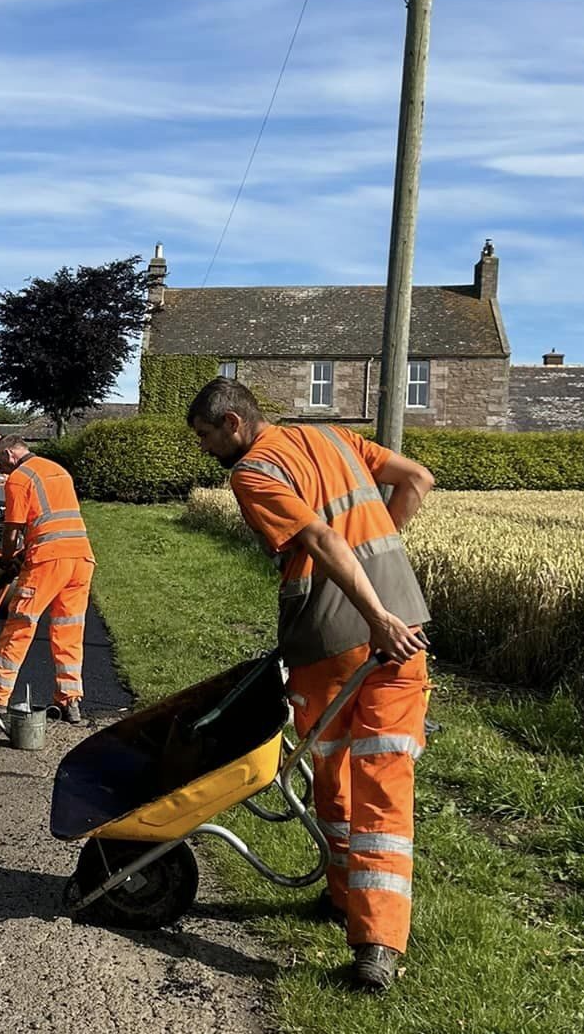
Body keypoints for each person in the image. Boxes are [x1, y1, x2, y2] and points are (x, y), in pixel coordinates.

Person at [186, 379, 434, 993]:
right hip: (405, 630)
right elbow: (417, 479)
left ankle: (364, 926)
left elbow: (322, 540)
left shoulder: (253, 472)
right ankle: (364, 921)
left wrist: (374, 615)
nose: (205, 448)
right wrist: (384, 585)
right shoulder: (334, 437)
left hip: (333, 641)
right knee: (384, 777)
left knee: (337, 772)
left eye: (206, 435)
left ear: (234, 424)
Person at [0, 435, 95, 727]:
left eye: (2, 465)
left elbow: (11, 532)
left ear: (10, 455)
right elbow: (52, 524)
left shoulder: (19, 478)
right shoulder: (59, 470)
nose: (2, 471)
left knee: (21, 624)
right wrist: (22, 556)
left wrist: (6, 563)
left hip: (48, 561)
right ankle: (69, 701)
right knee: (69, 631)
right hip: (81, 559)